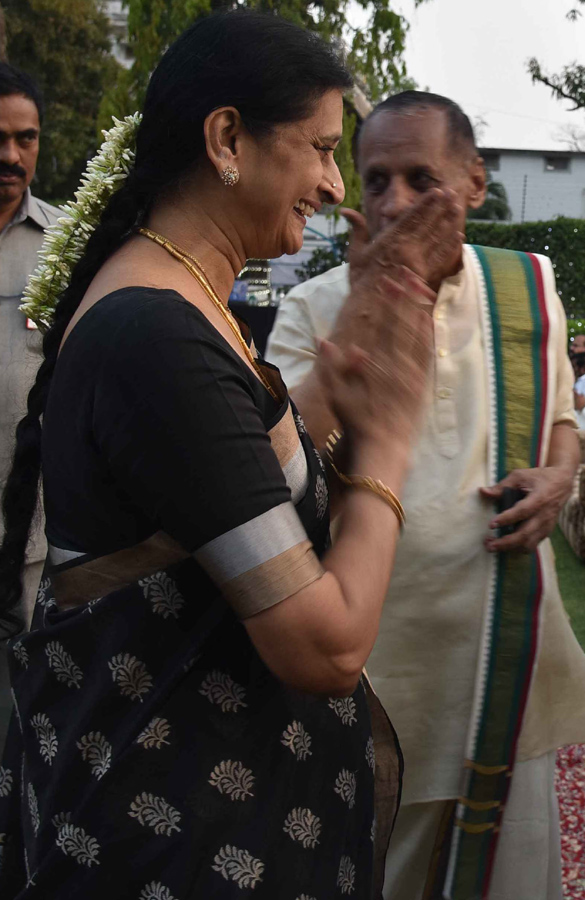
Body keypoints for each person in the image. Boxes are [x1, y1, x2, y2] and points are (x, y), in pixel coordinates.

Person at [0, 13, 441, 896]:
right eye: (320, 147)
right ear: (227, 137)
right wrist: (388, 444)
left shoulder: (183, 299)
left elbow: (225, 478)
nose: (331, 180)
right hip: (179, 841)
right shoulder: (156, 330)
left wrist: (347, 372)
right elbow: (324, 649)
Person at [266, 90, 585, 900]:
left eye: (423, 178)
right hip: (377, 668)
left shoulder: (528, 285)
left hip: (502, 655)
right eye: (376, 179)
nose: (396, 202)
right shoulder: (311, 308)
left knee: (512, 879)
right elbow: (278, 475)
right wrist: (366, 312)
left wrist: (561, 476)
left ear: (476, 183)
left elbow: (560, 418)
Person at [0, 63, 60, 758]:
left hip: (32, 550)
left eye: (26, 138)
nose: (10, 156)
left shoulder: (63, 248)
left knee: (26, 737)